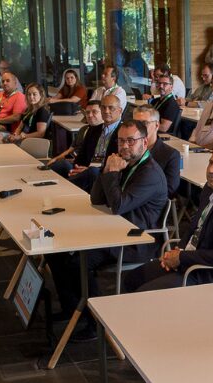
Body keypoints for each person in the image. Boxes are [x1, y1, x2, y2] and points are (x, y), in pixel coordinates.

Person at [46, 120, 168, 341]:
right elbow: (97, 199)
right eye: (121, 141)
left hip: (135, 241)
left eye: (131, 141)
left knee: (78, 261)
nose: (124, 146)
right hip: (113, 228)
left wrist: (111, 174)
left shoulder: (149, 173)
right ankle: (72, 307)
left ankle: (96, 323)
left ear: (145, 141)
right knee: (55, 251)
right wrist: (105, 170)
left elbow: (119, 205)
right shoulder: (124, 163)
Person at [125, 143, 213, 296]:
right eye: (211, 162)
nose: (211, 170)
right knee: (131, 279)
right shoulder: (211, 187)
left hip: (209, 274)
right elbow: (195, 225)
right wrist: (178, 251)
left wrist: (181, 257)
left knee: (145, 295)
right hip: (190, 260)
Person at [65, 95, 122, 190]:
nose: (106, 111)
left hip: (103, 173)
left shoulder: (123, 132)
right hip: (86, 169)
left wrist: (88, 170)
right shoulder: (93, 130)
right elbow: (80, 157)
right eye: (103, 107)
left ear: (120, 111)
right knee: (63, 165)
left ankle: (63, 188)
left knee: (92, 172)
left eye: (111, 108)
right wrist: (78, 168)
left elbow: (120, 163)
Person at [132, 105, 181, 198]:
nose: (138, 128)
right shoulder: (129, 147)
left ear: (157, 125)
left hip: (149, 203)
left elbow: (170, 190)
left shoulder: (170, 155)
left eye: (144, 123)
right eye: (136, 123)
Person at [44, 100, 102, 173]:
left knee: (63, 165)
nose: (90, 115)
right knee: (54, 165)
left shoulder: (104, 133)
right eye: (87, 112)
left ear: (102, 113)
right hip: (76, 162)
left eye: (94, 112)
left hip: (87, 168)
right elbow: (71, 149)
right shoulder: (84, 129)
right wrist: (55, 159)